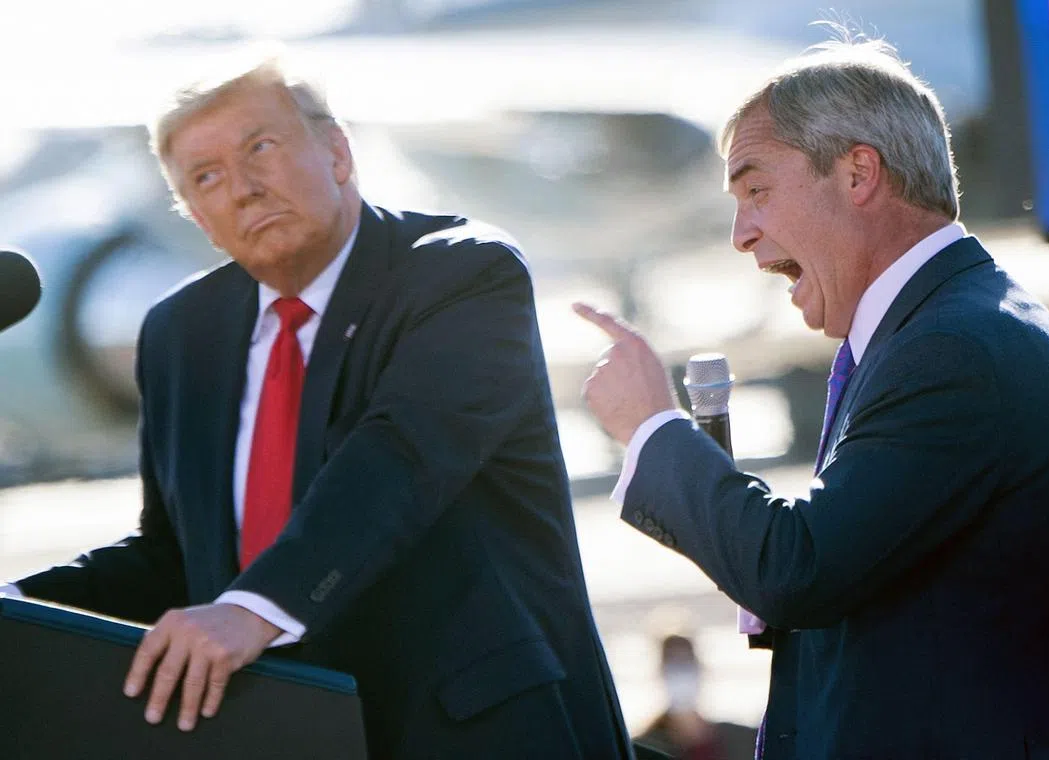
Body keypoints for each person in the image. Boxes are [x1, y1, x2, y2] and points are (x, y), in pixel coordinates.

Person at [3, 58, 634, 759]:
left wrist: (252, 608)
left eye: (260, 149)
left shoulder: (462, 273)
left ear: (337, 152)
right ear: (197, 218)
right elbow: (174, 557)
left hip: (474, 731)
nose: (243, 190)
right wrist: (15, 605)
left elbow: (401, 459)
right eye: (206, 178)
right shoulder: (181, 331)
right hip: (274, 731)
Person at [573, 30, 1049, 760]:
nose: (742, 234)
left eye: (757, 188)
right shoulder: (944, 328)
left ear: (859, 173)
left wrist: (652, 428)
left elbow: (799, 568)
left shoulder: (952, 349)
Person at [636, 633, 757, 760]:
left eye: (685, 663)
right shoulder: (645, 747)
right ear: (661, 673)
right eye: (673, 665)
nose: (681, 675)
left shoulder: (741, 739)